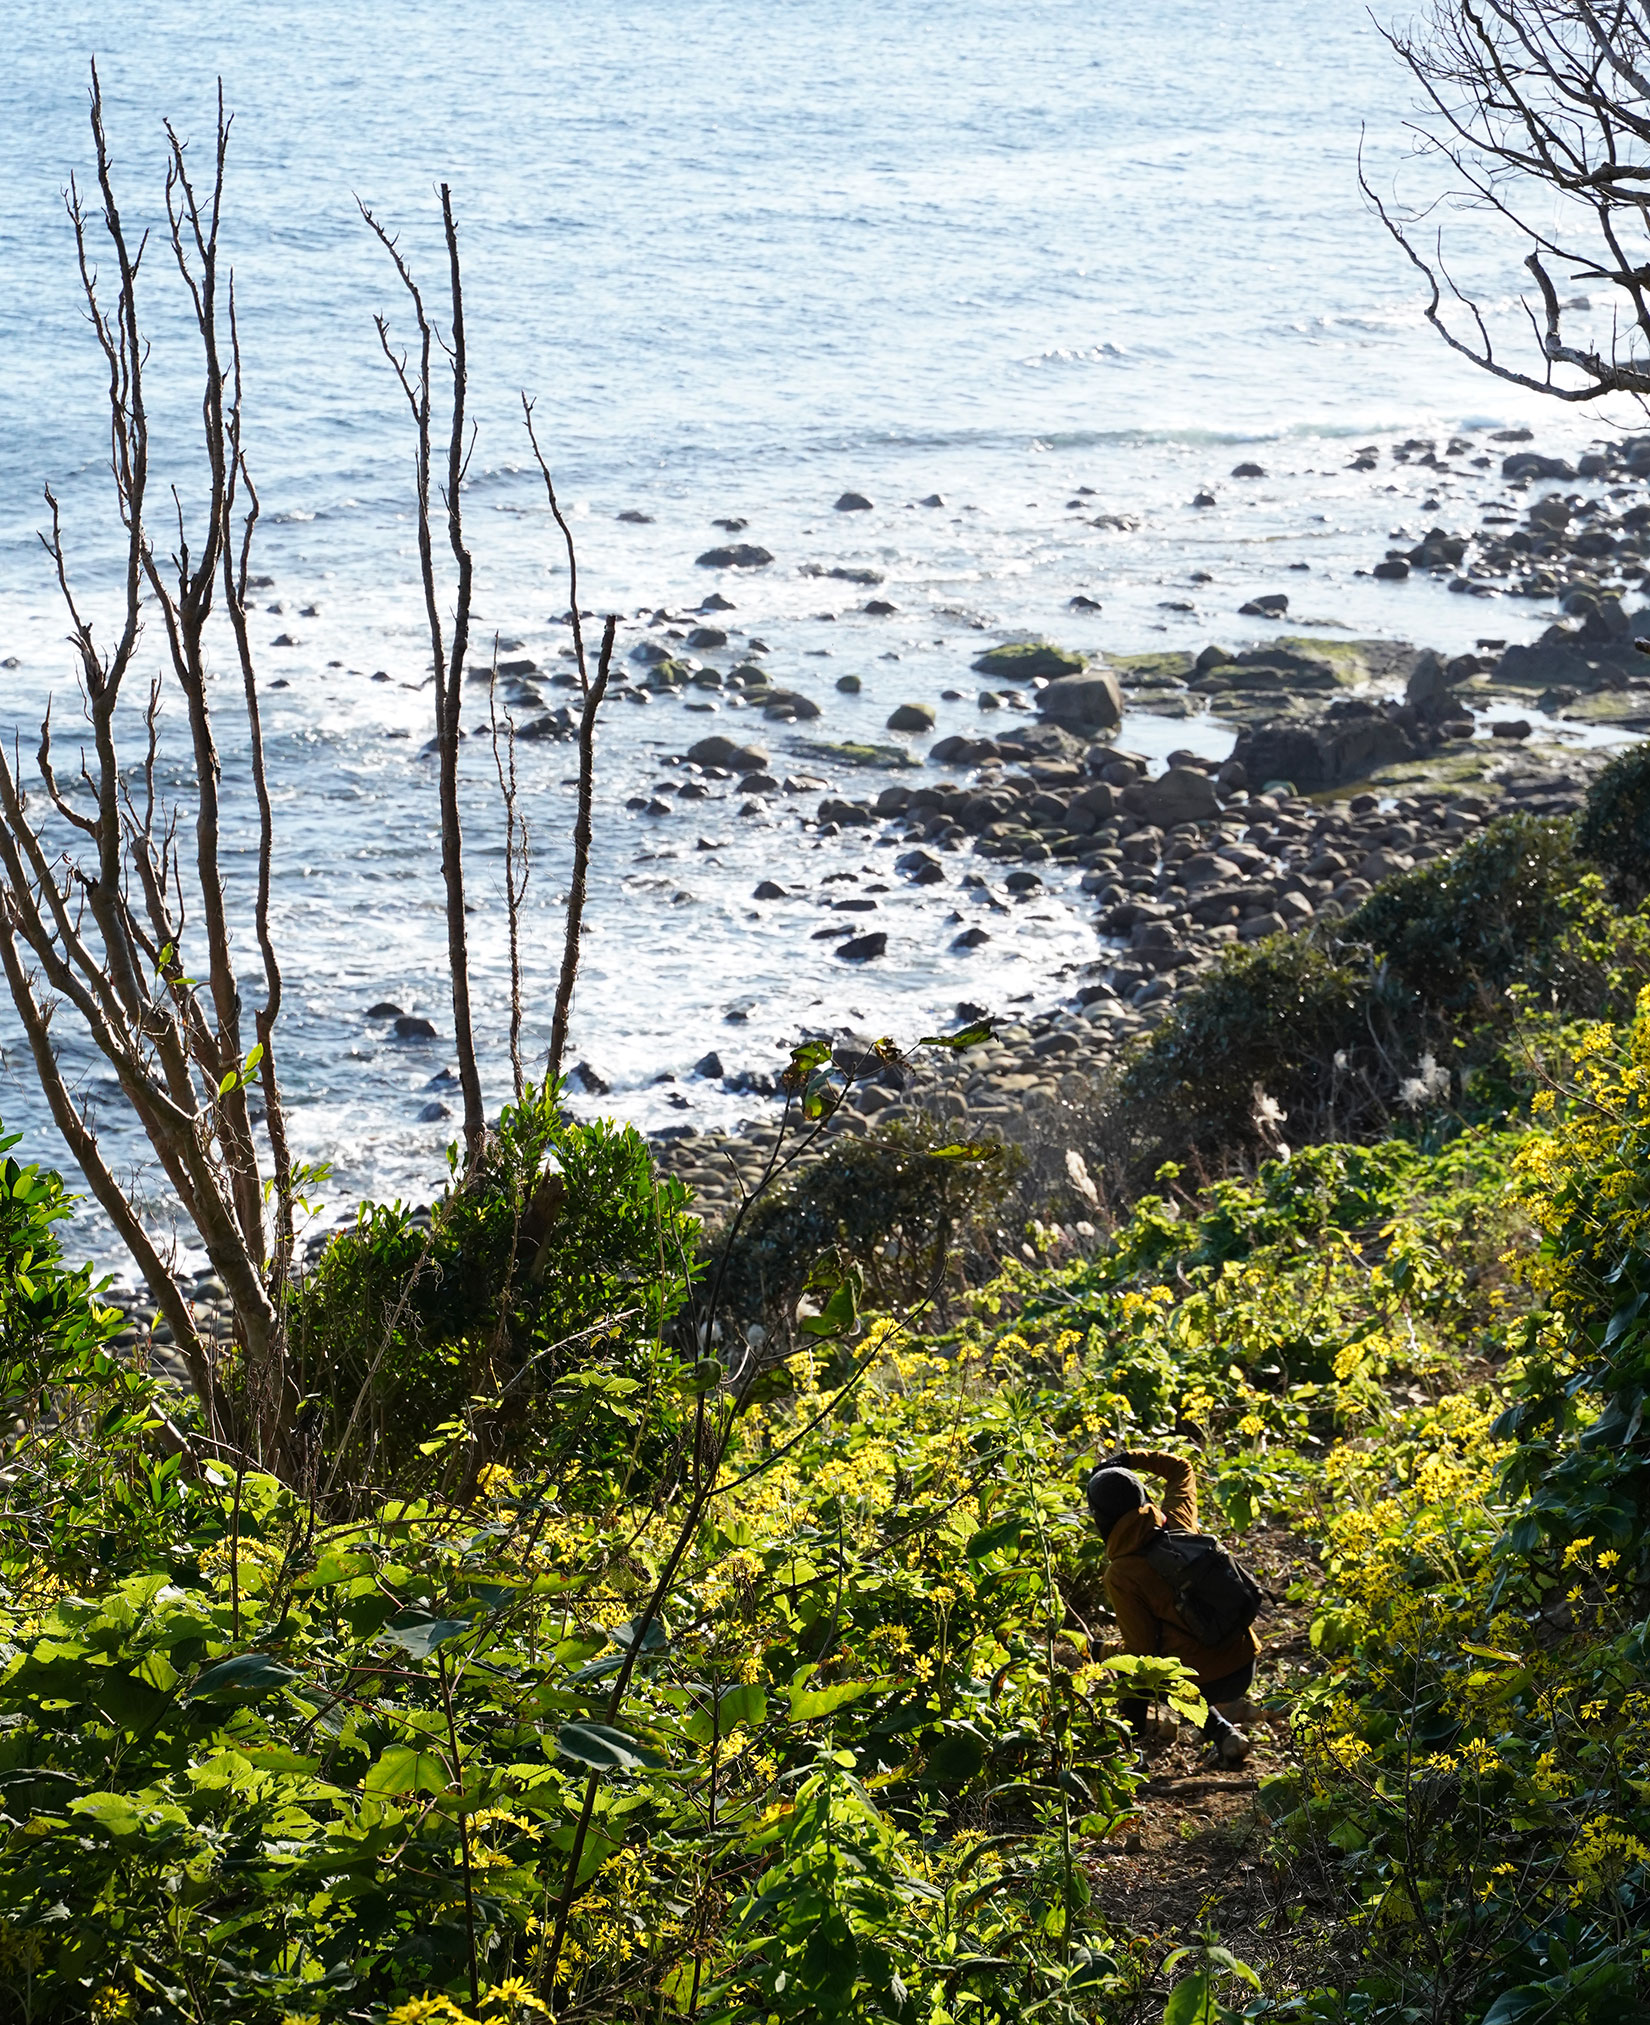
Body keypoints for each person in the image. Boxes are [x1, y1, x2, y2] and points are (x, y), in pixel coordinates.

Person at [1085, 1448, 1258, 1767]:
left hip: (1204, 1680)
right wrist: (1128, 1459)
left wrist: (1101, 1652)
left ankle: (1126, 1758)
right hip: (1244, 1659)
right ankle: (1224, 1734)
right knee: (1166, 1660)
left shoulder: (1121, 1574)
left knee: (1136, 1674)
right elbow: (1181, 1468)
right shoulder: (1176, 1521)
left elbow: (1139, 1653)